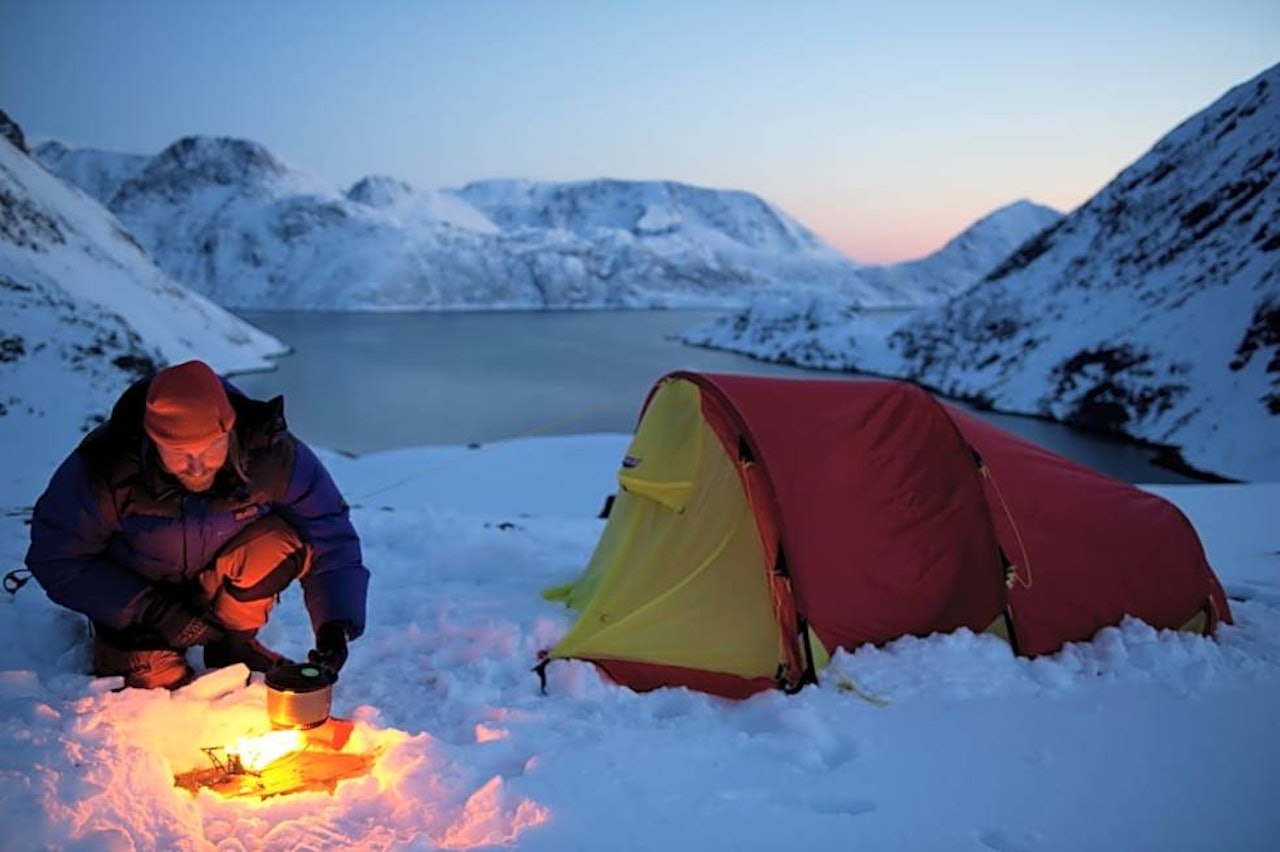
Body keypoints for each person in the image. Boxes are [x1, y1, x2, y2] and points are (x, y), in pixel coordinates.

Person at [24, 360, 369, 689]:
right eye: (178, 452)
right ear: (152, 439)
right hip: (141, 595)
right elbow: (57, 558)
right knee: (154, 684)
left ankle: (233, 644)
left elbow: (328, 533)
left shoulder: (270, 454)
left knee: (283, 541)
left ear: (229, 429)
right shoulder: (106, 467)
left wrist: (334, 624)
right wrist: (152, 610)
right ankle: (144, 648)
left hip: (216, 580)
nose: (196, 466)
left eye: (210, 448)